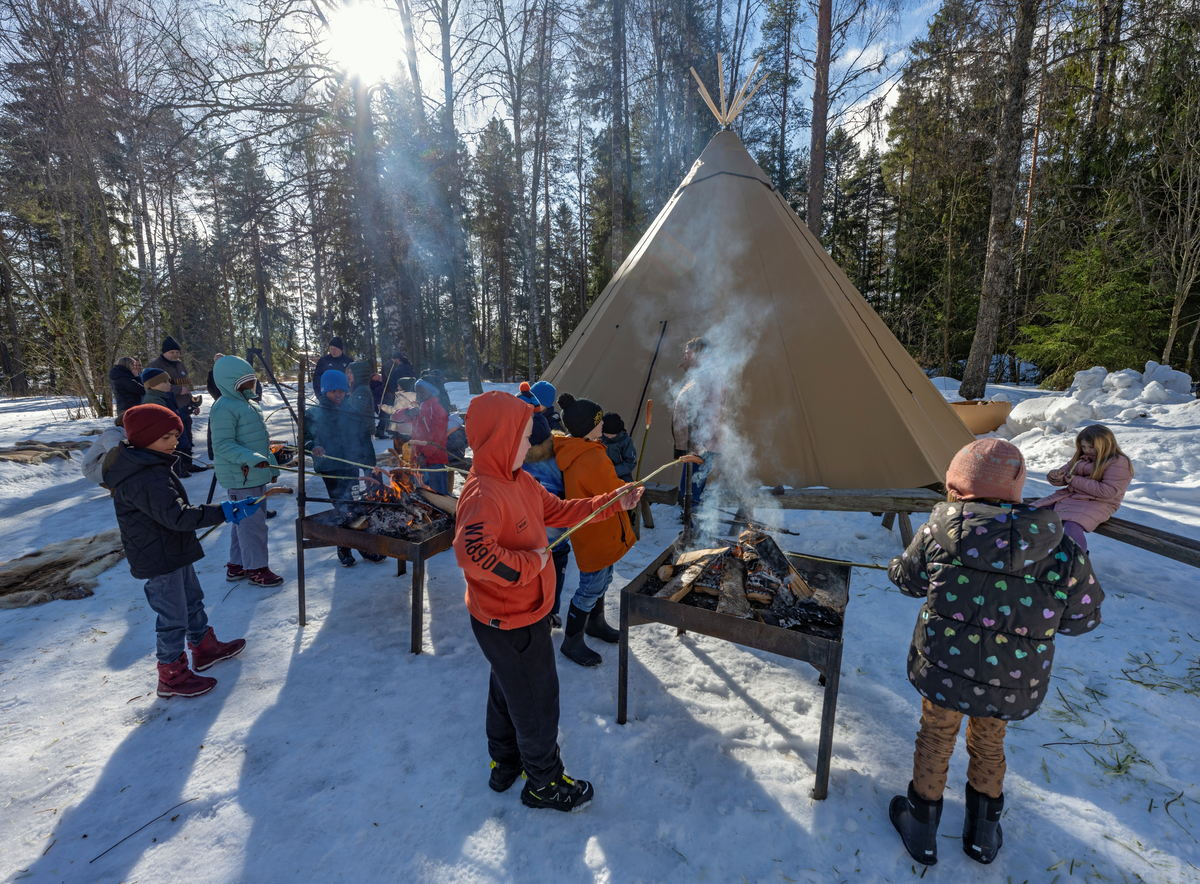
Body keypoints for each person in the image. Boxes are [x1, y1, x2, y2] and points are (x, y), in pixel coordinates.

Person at [886, 439, 1104, 866]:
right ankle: (982, 837)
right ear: (1016, 488)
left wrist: (898, 566)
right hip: (1010, 678)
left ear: (958, 485)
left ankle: (922, 829)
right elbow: (1083, 617)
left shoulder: (938, 530)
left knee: (935, 737)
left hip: (944, 668)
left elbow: (909, 581)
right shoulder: (1060, 548)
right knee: (990, 743)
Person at [453, 391, 644, 811]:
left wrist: (611, 503)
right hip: (510, 618)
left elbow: (559, 511)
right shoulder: (485, 493)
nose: (532, 446)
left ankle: (505, 763)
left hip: (520, 613)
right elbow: (472, 552)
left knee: (508, 688)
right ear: (501, 439)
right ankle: (544, 783)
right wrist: (529, 565)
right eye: (523, 438)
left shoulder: (519, 479)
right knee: (537, 699)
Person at [104, 403, 255, 698]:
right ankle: (171, 674)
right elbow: (178, 516)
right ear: (143, 439)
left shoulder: (151, 463)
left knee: (191, 600)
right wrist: (223, 511)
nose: (174, 442)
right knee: (172, 616)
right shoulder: (144, 477)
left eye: (176, 435)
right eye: (166, 437)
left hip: (171, 548)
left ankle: (203, 647)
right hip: (158, 557)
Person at [553, 392, 637, 667]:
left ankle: (595, 623)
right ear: (589, 426)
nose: (603, 426)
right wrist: (628, 494)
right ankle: (572, 640)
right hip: (599, 530)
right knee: (591, 586)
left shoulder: (574, 449)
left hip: (592, 531)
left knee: (603, 578)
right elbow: (611, 496)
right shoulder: (592, 458)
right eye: (599, 422)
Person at [209, 355, 284, 588]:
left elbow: (260, 441)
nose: (251, 384)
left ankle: (237, 564)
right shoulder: (223, 407)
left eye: (252, 379)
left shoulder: (249, 404)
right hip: (240, 475)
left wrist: (269, 463)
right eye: (244, 381)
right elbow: (221, 444)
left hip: (253, 473)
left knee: (243, 522)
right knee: (253, 526)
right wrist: (251, 460)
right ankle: (257, 569)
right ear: (229, 382)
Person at [305, 370, 382, 568]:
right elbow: (305, 438)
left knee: (356, 506)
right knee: (342, 507)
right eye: (333, 391)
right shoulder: (314, 413)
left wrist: (369, 466)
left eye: (341, 390)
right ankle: (343, 547)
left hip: (350, 466)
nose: (338, 395)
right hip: (330, 468)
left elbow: (364, 440)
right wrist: (313, 447)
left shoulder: (353, 413)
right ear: (324, 392)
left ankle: (362, 545)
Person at [517, 382, 571, 628]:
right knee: (555, 560)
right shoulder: (559, 447)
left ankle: (532, 611)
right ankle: (549, 610)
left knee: (529, 564)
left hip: (526, 523)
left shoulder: (512, 453)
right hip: (555, 520)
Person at [1034, 425, 1133, 553]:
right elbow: (1066, 473)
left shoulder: (1118, 462)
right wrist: (1056, 476)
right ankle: (1037, 551)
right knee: (1036, 514)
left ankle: (1076, 561)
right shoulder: (1081, 458)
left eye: (1091, 447)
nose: (1086, 450)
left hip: (1100, 503)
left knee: (1073, 525)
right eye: (1084, 447)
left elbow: (1109, 491)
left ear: (1105, 445)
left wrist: (1075, 481)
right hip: (1072, 497)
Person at [672, 337, 725, 509]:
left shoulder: (707, 374)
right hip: (696, 441)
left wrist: (701, 440)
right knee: (691, 488)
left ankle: (694, 528)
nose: (685, 356)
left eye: (687, 352)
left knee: (690, 490)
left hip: (701, 442)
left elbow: (712, 411)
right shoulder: (698, 373)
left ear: (698, 352)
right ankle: (695, 524)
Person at [149, 337, 202, 470]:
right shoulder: (157, 365)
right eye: (172, 352)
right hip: (170, 407)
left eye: (177, 352)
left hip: (185, 407)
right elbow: (155, 386)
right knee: (176, 436)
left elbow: (186, 385)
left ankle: (188, 463)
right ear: (164, 352)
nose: (175, 355)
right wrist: (178, 390)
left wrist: (192, 404)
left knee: (187, 435)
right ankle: (177, 466)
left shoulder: (179, 364)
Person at [141, 368, 194, 478]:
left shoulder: (163, 396)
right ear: (152, 384)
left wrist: (190, 406)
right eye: (164, 381)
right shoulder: (154, 400)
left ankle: (181, 468)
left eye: (168, 381)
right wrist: (188, 409)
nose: (169, 384)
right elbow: (170, 420)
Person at [412, 378, 450, 495]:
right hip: (420, 459)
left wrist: (425, 454)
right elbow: (397, 418)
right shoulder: (418, 409)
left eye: (422, 393)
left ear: (431, 393)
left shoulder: (438, 410)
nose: (419, 395)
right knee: (424, 494)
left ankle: (444, 513)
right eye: (417, 392)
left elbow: (437, 436)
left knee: (438, 495)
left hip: (435, 460)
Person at [600, 412, 638, 482]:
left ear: (617, 431)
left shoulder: (625, 440)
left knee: (628, 486)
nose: (608, 436)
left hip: (620, 472)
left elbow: (630, 461)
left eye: (611, 434)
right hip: (601, 471)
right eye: (605, 433)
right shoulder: (599, 437)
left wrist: (614, 471)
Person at [109, 356, 144, 423]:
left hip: (123, 407)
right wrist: (137, 377)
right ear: (127, 365)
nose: (134, 367)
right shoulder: (123, 378)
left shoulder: (118, 375)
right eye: (132, 365)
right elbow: (140, 389)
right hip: (129, 407)